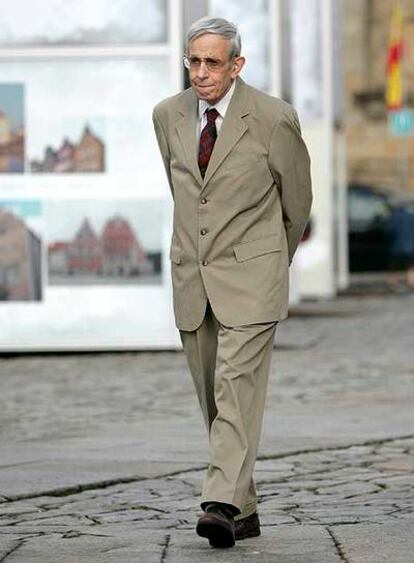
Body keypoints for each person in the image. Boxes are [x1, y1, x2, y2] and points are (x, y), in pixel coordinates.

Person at [152, 16, 312, 548]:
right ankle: (243, 509)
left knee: (235, 387)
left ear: (236, 65)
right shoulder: (167, 116)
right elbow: (188, 195)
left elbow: (297, 204)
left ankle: (218, 501)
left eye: (212, 62)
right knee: (214, 400)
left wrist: (271, 262)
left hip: (254, 278)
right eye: (193, 61)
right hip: (193, 279)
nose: (200, 72)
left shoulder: (273, 118)